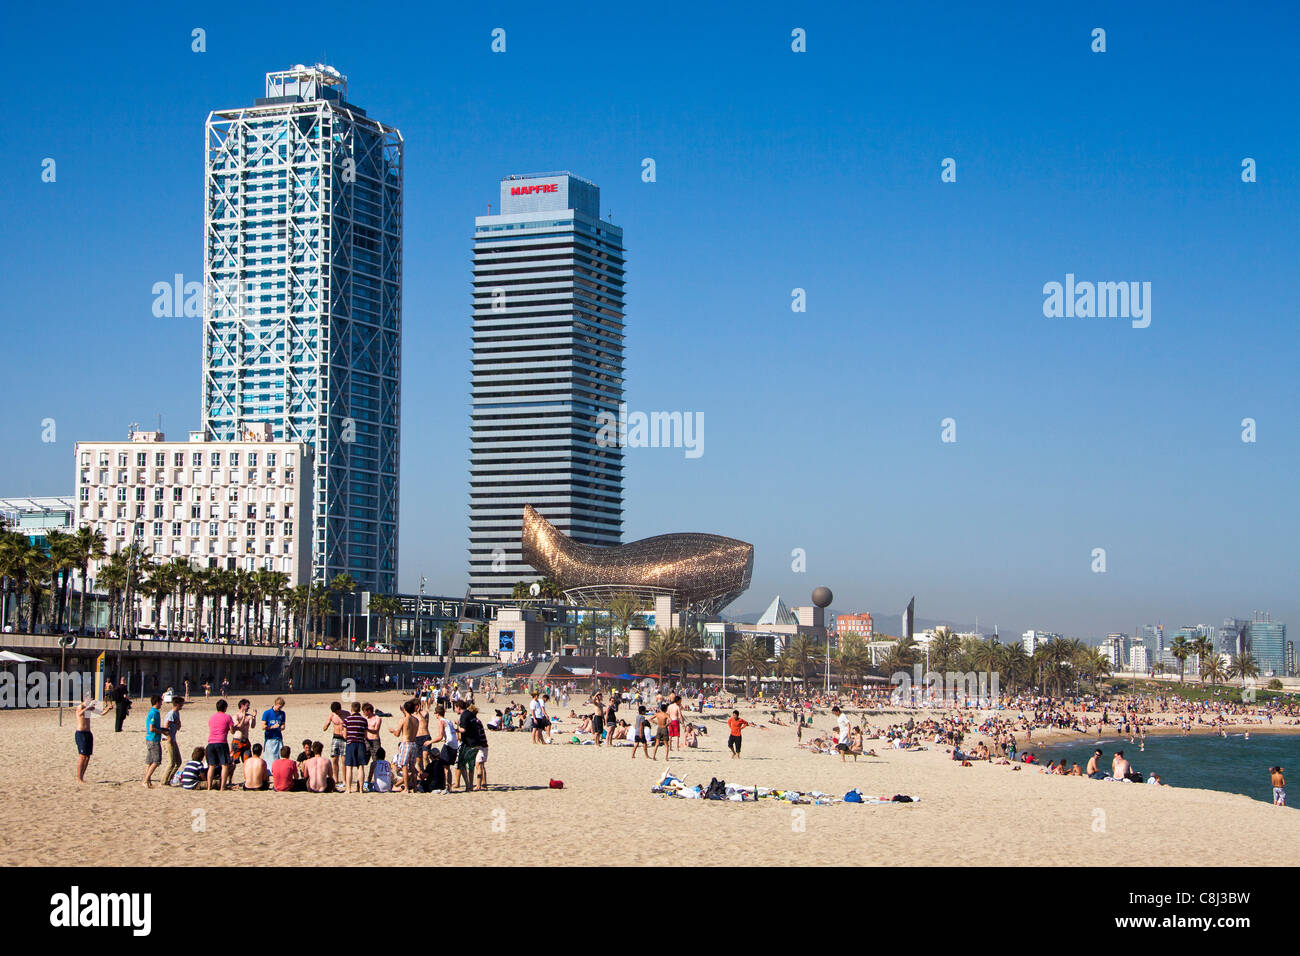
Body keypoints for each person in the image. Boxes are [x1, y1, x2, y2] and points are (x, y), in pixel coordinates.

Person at [453, 700, 486, 792]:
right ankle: (470, 785)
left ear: (459, 707)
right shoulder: (470, 714)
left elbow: (463, 730)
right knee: (470, 765)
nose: (455, 709)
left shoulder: (463, 715)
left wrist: (455, 729)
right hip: (476, 742)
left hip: (468, 743)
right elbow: (469, 726)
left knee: (461, 764)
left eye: (455, 708)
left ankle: (468, 785)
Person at [206, 699, 235, 791]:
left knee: (211, 766)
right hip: (221, 742)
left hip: (211, 742)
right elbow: (232, 731)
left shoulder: (212, 717)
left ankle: (209, 787)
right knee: (225, 765)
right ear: (225, 708)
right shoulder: (227, 717)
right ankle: (223, 787)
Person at [391, 700, 419, 794]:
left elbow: (397, 734)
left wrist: (392, 731)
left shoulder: (403, 720)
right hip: (414, 744)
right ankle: (415, 788)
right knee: (412, 767)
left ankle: (406, 788)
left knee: (404, 766)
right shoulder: (416, 720)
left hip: (406, 743)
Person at [342, 701, 369, 793]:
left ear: (352, 709)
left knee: (349, 766)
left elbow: (345, 735)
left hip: (350, 744)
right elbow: (365, 735)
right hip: (361, 744)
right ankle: (361, 789)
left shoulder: (347, 720)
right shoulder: (364, 720)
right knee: (360, 767)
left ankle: (348, 789)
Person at [162, 696, 185, 786]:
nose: (182, 706)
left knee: (178, 761)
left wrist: (178, 723)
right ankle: (164, 781)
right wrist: (168, 737)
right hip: (167, 740)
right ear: (178, 704)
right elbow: (165, 727)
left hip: (173, 739)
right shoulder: (171, 714)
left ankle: (169, 779)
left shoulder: (177, 714)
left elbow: (178, 727)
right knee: (171, 762)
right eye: (181, 704)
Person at [323, 701, 347, 783]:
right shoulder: (332, 715)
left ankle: (344, 779)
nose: (337, 713)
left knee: (344, 760)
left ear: (340, 709)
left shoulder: (346, 714)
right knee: (334, 759)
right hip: (336, 737)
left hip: (344, 738)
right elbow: (324, 727)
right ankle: (336, 779)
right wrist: (327, 724)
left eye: (338, 711)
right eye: (335, 712)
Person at [143, 695, 164, 788]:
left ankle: (148, 782)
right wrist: (162, 732)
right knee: (156, 761)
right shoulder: (154, 712)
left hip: (150, 739)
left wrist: (163, 729)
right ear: (157, 702)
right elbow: (152, 728)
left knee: (149, 761)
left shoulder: (154, 712)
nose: (162, 704)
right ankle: (145, 780)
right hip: (153, 739)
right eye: (160, 702)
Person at [74, 695, 95, 783]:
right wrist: (88, 708)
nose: (90, 700)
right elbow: (80, 713)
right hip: (81, 733)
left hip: (88, 733)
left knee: (87, 756)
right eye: (89, 699)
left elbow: (99, 713)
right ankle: (79, 778)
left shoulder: (87, 707)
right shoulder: (80, 707)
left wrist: (108, 709)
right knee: (82, 756)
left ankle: (82, 776)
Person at [230, 699, 256, 764]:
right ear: (242, 705)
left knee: (247, 762)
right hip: (237, 741)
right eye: (247, 706)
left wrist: (254, 717)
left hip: (245, 741)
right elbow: (239, 727)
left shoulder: (249, 716)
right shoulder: (236, 716)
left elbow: (252, 726)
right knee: (233, 762)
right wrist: (243, 717)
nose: (248, 708)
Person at [261, 697, 286, 762]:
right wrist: (272, 727)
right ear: (276, 704)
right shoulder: (267, 713)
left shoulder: (282, 713)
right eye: (279, 707)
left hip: (278, 738)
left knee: (280, 758)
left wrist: (282, 727)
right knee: (270, 759)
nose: (280, 709)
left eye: (281, 707)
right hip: (270, 738)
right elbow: (263, 727)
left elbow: (283, 724)